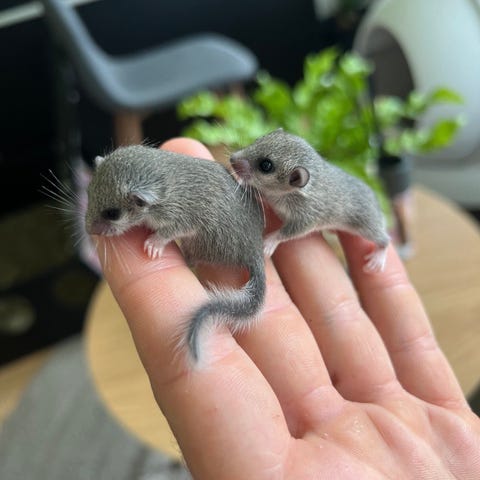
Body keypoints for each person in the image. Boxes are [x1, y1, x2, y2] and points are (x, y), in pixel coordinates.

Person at [95, 138, 480, 479]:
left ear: (296, 181)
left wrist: (277, 236)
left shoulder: (306, 205)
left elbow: (304, 221)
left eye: (263, 166)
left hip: (351, 213)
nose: (238, 159)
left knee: (371, 236)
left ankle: (381, 243)